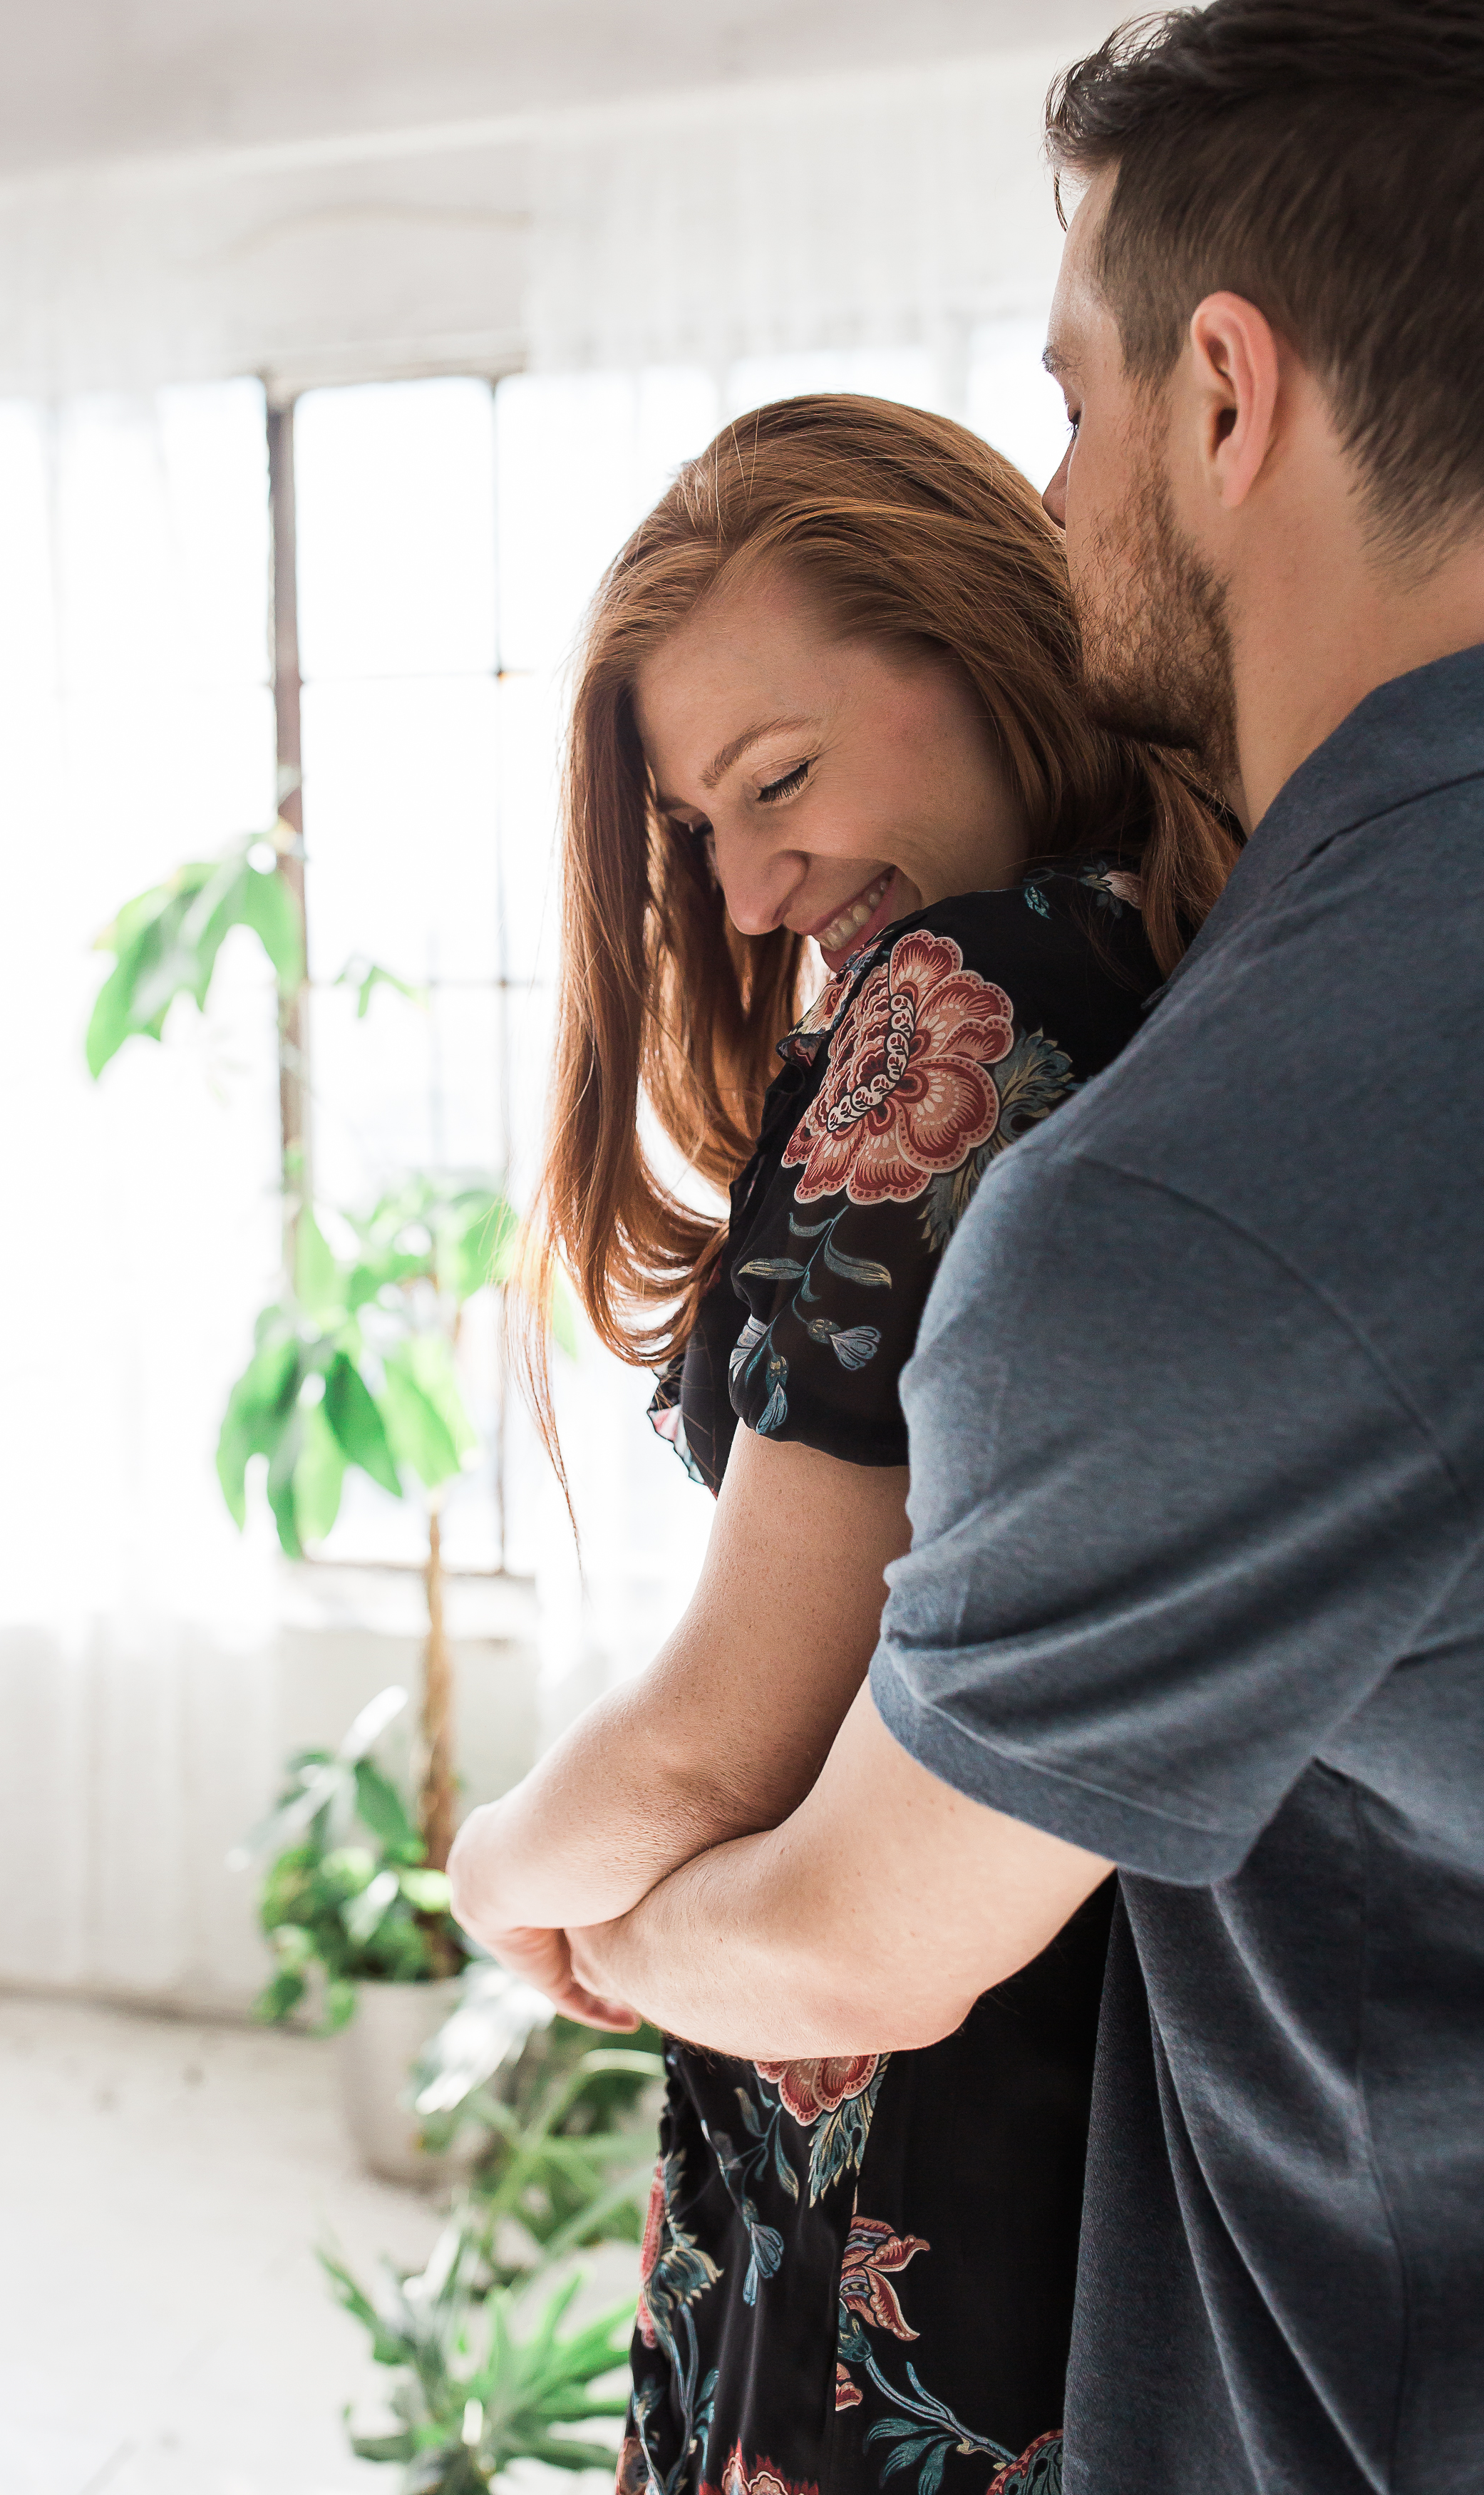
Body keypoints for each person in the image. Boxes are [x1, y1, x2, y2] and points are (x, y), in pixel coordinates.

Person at [555, 6, 1484, 2492]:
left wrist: (550, 1906)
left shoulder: (1064, 1070)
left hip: (1068, 2212)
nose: (1056, 494)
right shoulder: (1223, 980)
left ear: (1222, 390)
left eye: (1068, 406)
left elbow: (813, 1853)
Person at [448, 395, 1236, 2495]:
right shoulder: (1184, 951)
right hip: (1068, 2100)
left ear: (987, 637)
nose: (748, 877)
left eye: (778, 778)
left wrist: (501, 1873)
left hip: (909, 2119)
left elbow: (728, 1731)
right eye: (702, 827)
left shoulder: (964, 998)